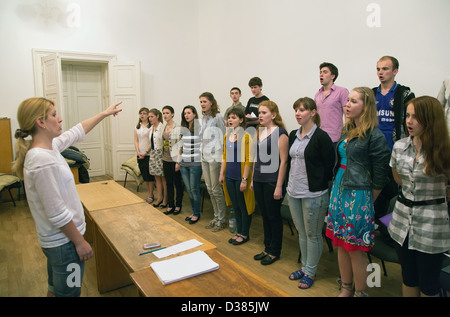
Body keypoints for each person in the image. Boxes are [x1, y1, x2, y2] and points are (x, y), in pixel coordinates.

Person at [12, 97, 122, 297]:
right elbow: (56, 212)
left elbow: (76, 131)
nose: (60, 119)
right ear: (41, 122)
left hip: (59, 243)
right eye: (54, 115)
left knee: (55, 290)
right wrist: (80, 242)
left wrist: (104, 114)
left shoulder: (48, 148)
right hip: (65, 244)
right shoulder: (42, 160)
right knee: (69, 294)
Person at [325, 87, 390, 297]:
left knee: (355, 247)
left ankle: (360, 292)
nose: (347, 105)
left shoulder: (375, 135)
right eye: (348, 101)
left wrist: (369, 200)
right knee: (341, 244)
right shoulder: (347, 130)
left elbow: (381, 175)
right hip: (339, 190)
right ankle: (346, 287)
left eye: (353, 101)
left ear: (366, 106)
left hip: (359, 195)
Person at [388, 96, 450, 297]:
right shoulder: (399, 146)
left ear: (430, 120)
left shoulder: (445, 150)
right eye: (407, 115)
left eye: (416, 117)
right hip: (401, 221)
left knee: (429, 283)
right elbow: (399, 180)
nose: (409, 121)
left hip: (431, 223)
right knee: (409, 277)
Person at [286, 97, 335, 289]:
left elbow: (329, 165)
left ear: (313, 112)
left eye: (302, 110)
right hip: (293, 191)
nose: (297, 113)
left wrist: (321, 185)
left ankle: (311, 272)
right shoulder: (293, 134)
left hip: (314, 194)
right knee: (301, 233)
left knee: (313, 234)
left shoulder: (322, 137)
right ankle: (305, 267)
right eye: (296, 110)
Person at [372, 56, 415, 231]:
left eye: (385, 69)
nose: (380, 72)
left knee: (392, 193)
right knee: (375, 191)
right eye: (378, 69)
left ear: (395, 71)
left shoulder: (404, 94)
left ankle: (388, 230)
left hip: (395, 151)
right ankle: (373, 226)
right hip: (375, 151)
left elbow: (410, 122)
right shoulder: (372, 92)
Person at [251, 100, 288, 265]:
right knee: (264, 216)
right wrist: (252, 178)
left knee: (273, 216)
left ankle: (275, 251)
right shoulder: (259, 132)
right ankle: (267, 248)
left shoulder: (281, 133)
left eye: (264, 112)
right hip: (259, 179)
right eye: (259, 112)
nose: (260, 115)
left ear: (273, 115)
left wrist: (279, 186)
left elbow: (284, 161)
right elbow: (255, 159)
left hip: (272, 181)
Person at [219, 107, 255, 245]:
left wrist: (244, 180)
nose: (230, 120)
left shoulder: (246, 137)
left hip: (241, 177)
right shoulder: (226, 136)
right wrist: (221, 173)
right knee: (236, 206)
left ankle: (244, 234)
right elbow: (224, 157)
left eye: (234, 117)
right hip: (229, 176)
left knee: (244, 206)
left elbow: (249, 159)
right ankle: (239, 232)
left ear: (241, 120)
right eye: (229, 117)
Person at [199, 92, 227, 232]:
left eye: (204, 101)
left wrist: (223, 159)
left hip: (215, 156)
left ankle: (221, 219)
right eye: (201, 102)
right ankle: (216, 217)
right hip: (204, 155)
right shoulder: (204, 117)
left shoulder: (218, 117)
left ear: (211, 102)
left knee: (216, 190)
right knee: (209, 189)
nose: (202, 104)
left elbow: (223, 138)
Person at [177, 105, 202, 224]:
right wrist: (178, 161)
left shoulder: (200, 128)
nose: (186, 115)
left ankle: (197, 213)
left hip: (195, 163)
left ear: (194, 114)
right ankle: (194, 211)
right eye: (185, 113)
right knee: (188, 189)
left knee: (194, 189)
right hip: (183, 163)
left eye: (188, 113)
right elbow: (180, 146)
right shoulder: (183, 129)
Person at [314, 62, 349, 146]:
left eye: (325, 72)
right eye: (320, 72)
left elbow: (348, 115)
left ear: (332, 76)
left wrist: (347, 136)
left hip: (335, 139)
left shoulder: (342, 91)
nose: (321, 75)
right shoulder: (317, 94)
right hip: (319, 138)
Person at [161, 105, 184, 215]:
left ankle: (178, 205)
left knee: (177, 184)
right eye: (163, 113)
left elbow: (180, 146)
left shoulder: (178, 127)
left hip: (175, 160)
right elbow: (162, 145)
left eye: (167, 113)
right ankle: (171, 205)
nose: (165, 115)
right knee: (168, 183)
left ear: (172, 114)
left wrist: (178, 162)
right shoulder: (163, 127)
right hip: (165, 159)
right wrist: (162, 160)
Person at [134, 107, 155, 204]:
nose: (142, 115)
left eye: (144, 113)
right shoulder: (137, 127)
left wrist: (146, 152)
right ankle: (150, 193)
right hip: (140, 154)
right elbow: (136, 140)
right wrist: (138, 151)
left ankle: (151, 195)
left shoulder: (151, 127)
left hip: (148, 154)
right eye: (140, 113)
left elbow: (151, 141)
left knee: (150, 176)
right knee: (145, 176)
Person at [147, 108, 167, 208]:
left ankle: (165, 199)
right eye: (149, 117)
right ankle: (159, 197)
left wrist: (164, 158)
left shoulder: (163, 127)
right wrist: (146, 152)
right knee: (156, 177)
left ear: (157, 116)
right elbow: (151, 143)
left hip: (161, 154)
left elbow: (165, 144)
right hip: (153, 154)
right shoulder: (151, 128)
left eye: (152, 116)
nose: (150, 118)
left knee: (163, 178)